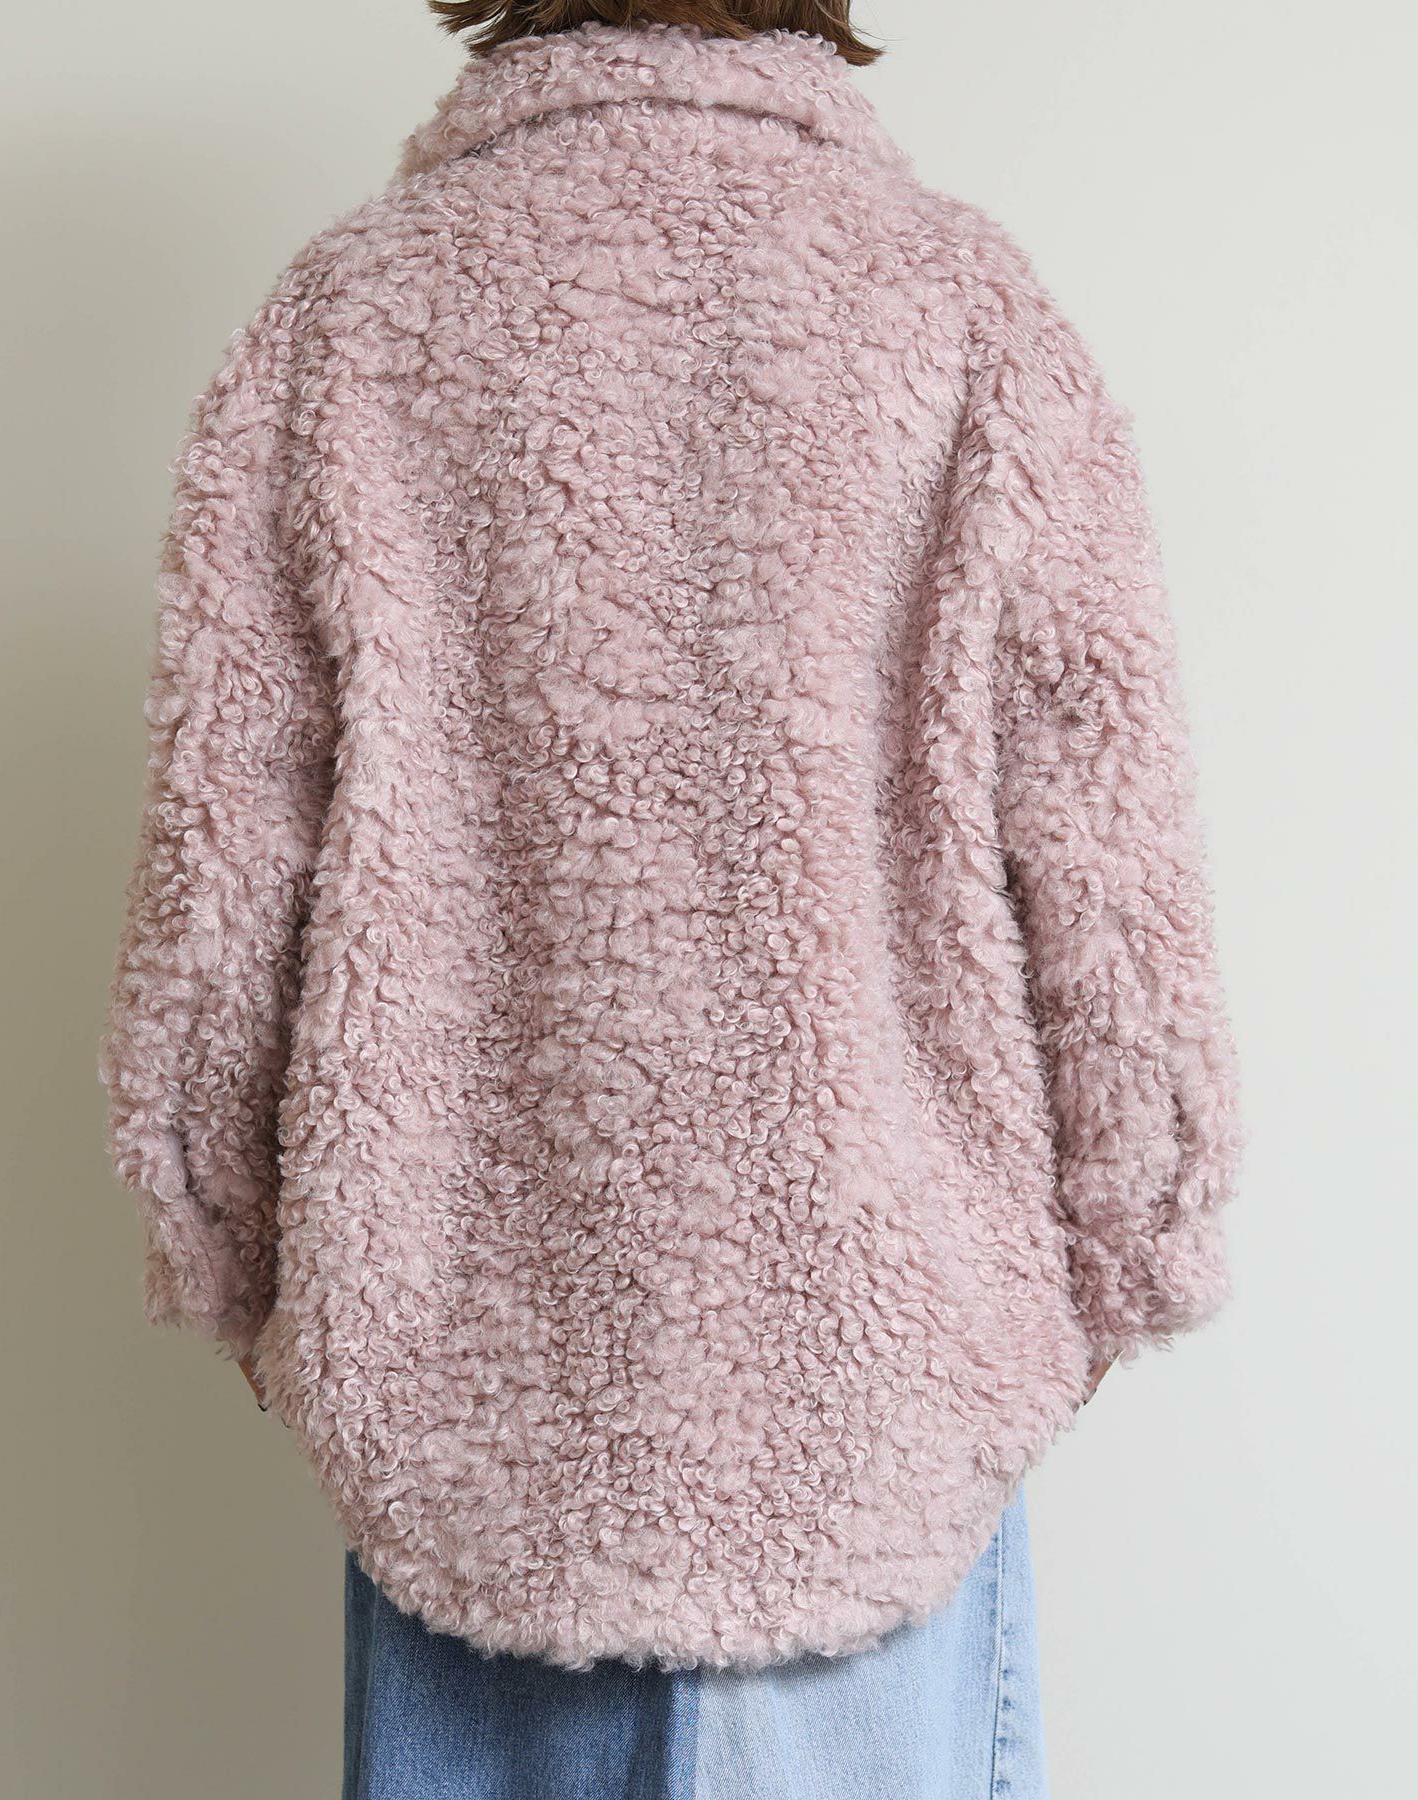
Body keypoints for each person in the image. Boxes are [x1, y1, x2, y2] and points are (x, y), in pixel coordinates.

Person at [101, 3, 1241, 1794]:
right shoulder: (958, 308)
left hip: (472, 1402)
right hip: (874, 1389)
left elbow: (224, 857)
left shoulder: (348, 320)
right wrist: (1129, 1240)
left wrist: (234, 1251)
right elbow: (1106, 846)